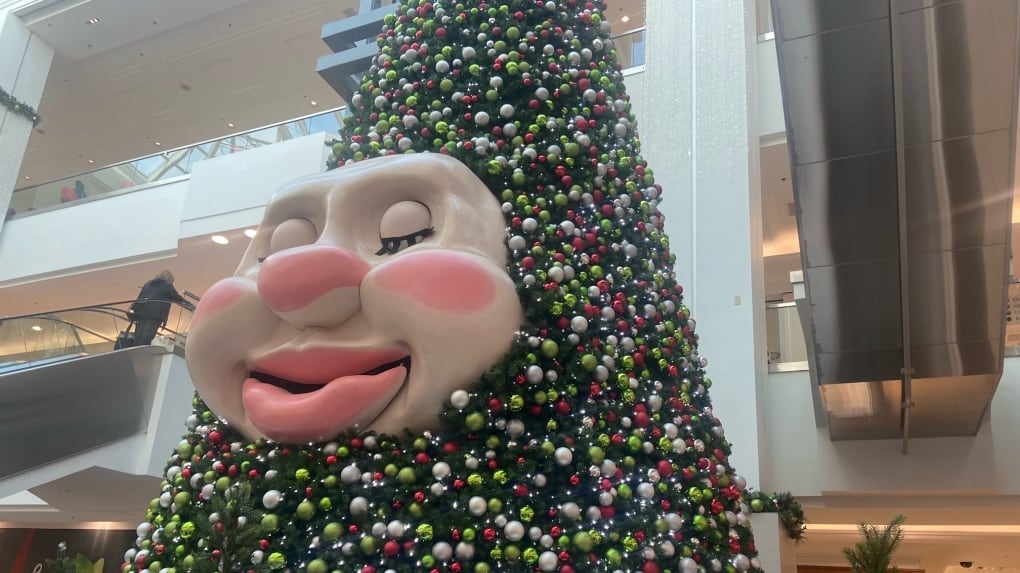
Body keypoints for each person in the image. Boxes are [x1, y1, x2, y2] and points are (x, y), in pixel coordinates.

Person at [130, 270, 185, 346]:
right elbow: (177, 298)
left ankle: (136, 349)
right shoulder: (167, 285)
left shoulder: (149, 283)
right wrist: (189, 304)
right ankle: (143, 350)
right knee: (148, 336)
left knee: (139, 335)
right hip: (155, 315)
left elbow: (140, 297)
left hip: (142, 313)